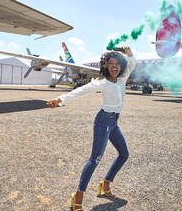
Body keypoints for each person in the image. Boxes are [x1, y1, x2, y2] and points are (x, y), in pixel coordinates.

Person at [47, 46, 136, 211]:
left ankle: (105, 184)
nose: (115, 66)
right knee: (95, 158)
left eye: (118, 63)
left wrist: (129, 53)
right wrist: (59, 99)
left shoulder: (123, 79)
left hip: (114, 122)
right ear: (106, 66)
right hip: (103, 121)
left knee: (124, 154)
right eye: (111, 64)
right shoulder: (101, 83)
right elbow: (80, 91)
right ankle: (78, 195)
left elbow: (132, 63)